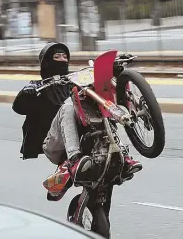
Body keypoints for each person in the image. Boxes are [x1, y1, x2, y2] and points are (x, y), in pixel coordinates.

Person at [12, 42, 142, 201]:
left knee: (101, 108)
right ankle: (73, 160)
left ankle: (122, 155)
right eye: (57, 56)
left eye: (65, 56)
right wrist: (27, 93)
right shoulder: (38, 87)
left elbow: (101, 85)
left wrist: (116, 69)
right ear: (46, 62)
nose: (62, 59)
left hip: (86, 140)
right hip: (55, 145)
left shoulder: (74, 81)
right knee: (67, 108)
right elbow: (19, 107)